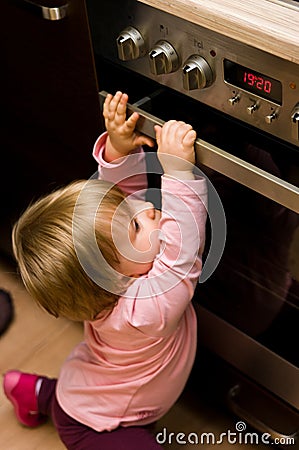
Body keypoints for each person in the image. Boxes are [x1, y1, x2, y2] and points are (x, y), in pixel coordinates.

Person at [3, 91, 207, 449]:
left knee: (67, 401)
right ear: (114, 281)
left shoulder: (108, 286)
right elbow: (181, 254)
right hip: (103, 429)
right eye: (137, 227)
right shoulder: (143, 312)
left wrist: (119, 150)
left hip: (85, 392)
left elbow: (118, 198)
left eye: (132, 209)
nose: (148, 209)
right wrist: (177, 172)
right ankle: (40, 394)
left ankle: (33, 392)